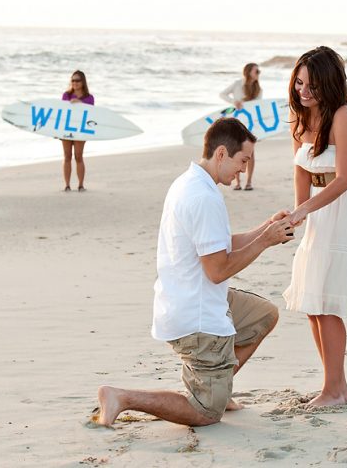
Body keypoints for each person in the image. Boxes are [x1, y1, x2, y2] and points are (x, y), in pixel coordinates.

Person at [94, 118, 293, 427]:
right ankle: (122, 397)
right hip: (196, 317)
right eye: (243, 161)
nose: (244, 169)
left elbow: (219, 245)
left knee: (263, 315)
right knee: (205, 413)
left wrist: (266, 228)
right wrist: (266, 241)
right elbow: (218, 270)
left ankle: (219, 386)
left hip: (189, 298)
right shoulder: (202, 197)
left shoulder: (191, 181)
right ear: (222, 154)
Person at [283, 46, 347, 407]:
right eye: (299, 83)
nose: (303, 91)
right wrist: (299, 214)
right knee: (313, 300)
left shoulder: (343, 115)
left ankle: (333, 390)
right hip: (319, 209)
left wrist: (306, 209)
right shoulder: (299, 117)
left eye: (311, 85)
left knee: (327, 300)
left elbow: (342, 179)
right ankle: (337, 388)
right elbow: (301, 167)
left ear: (330, 83)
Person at [220, 63, 263, 190]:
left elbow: (258, 108)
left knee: (250, 154)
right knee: (236, 152)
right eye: (256, 71)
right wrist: (234, 102)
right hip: (236, 123)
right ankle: (237, 182)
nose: (258, 73)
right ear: (249, 71)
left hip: (251, 125)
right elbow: (222, 94)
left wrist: (262, 130)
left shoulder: (258, 89)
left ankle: (249, 182)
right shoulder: (237, 84)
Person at [61, 70, 94, 192]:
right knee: (67, 156)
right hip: (66, 129)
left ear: (83, 82)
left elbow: (91, 113)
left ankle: (81, 185)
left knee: (79, 156)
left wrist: (80, 103)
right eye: (73, 80)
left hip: (81, 129)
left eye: (77, 80)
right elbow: (61, 113)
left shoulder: (89, 98)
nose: (74, 82)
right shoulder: (66, 95)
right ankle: (67, 185)